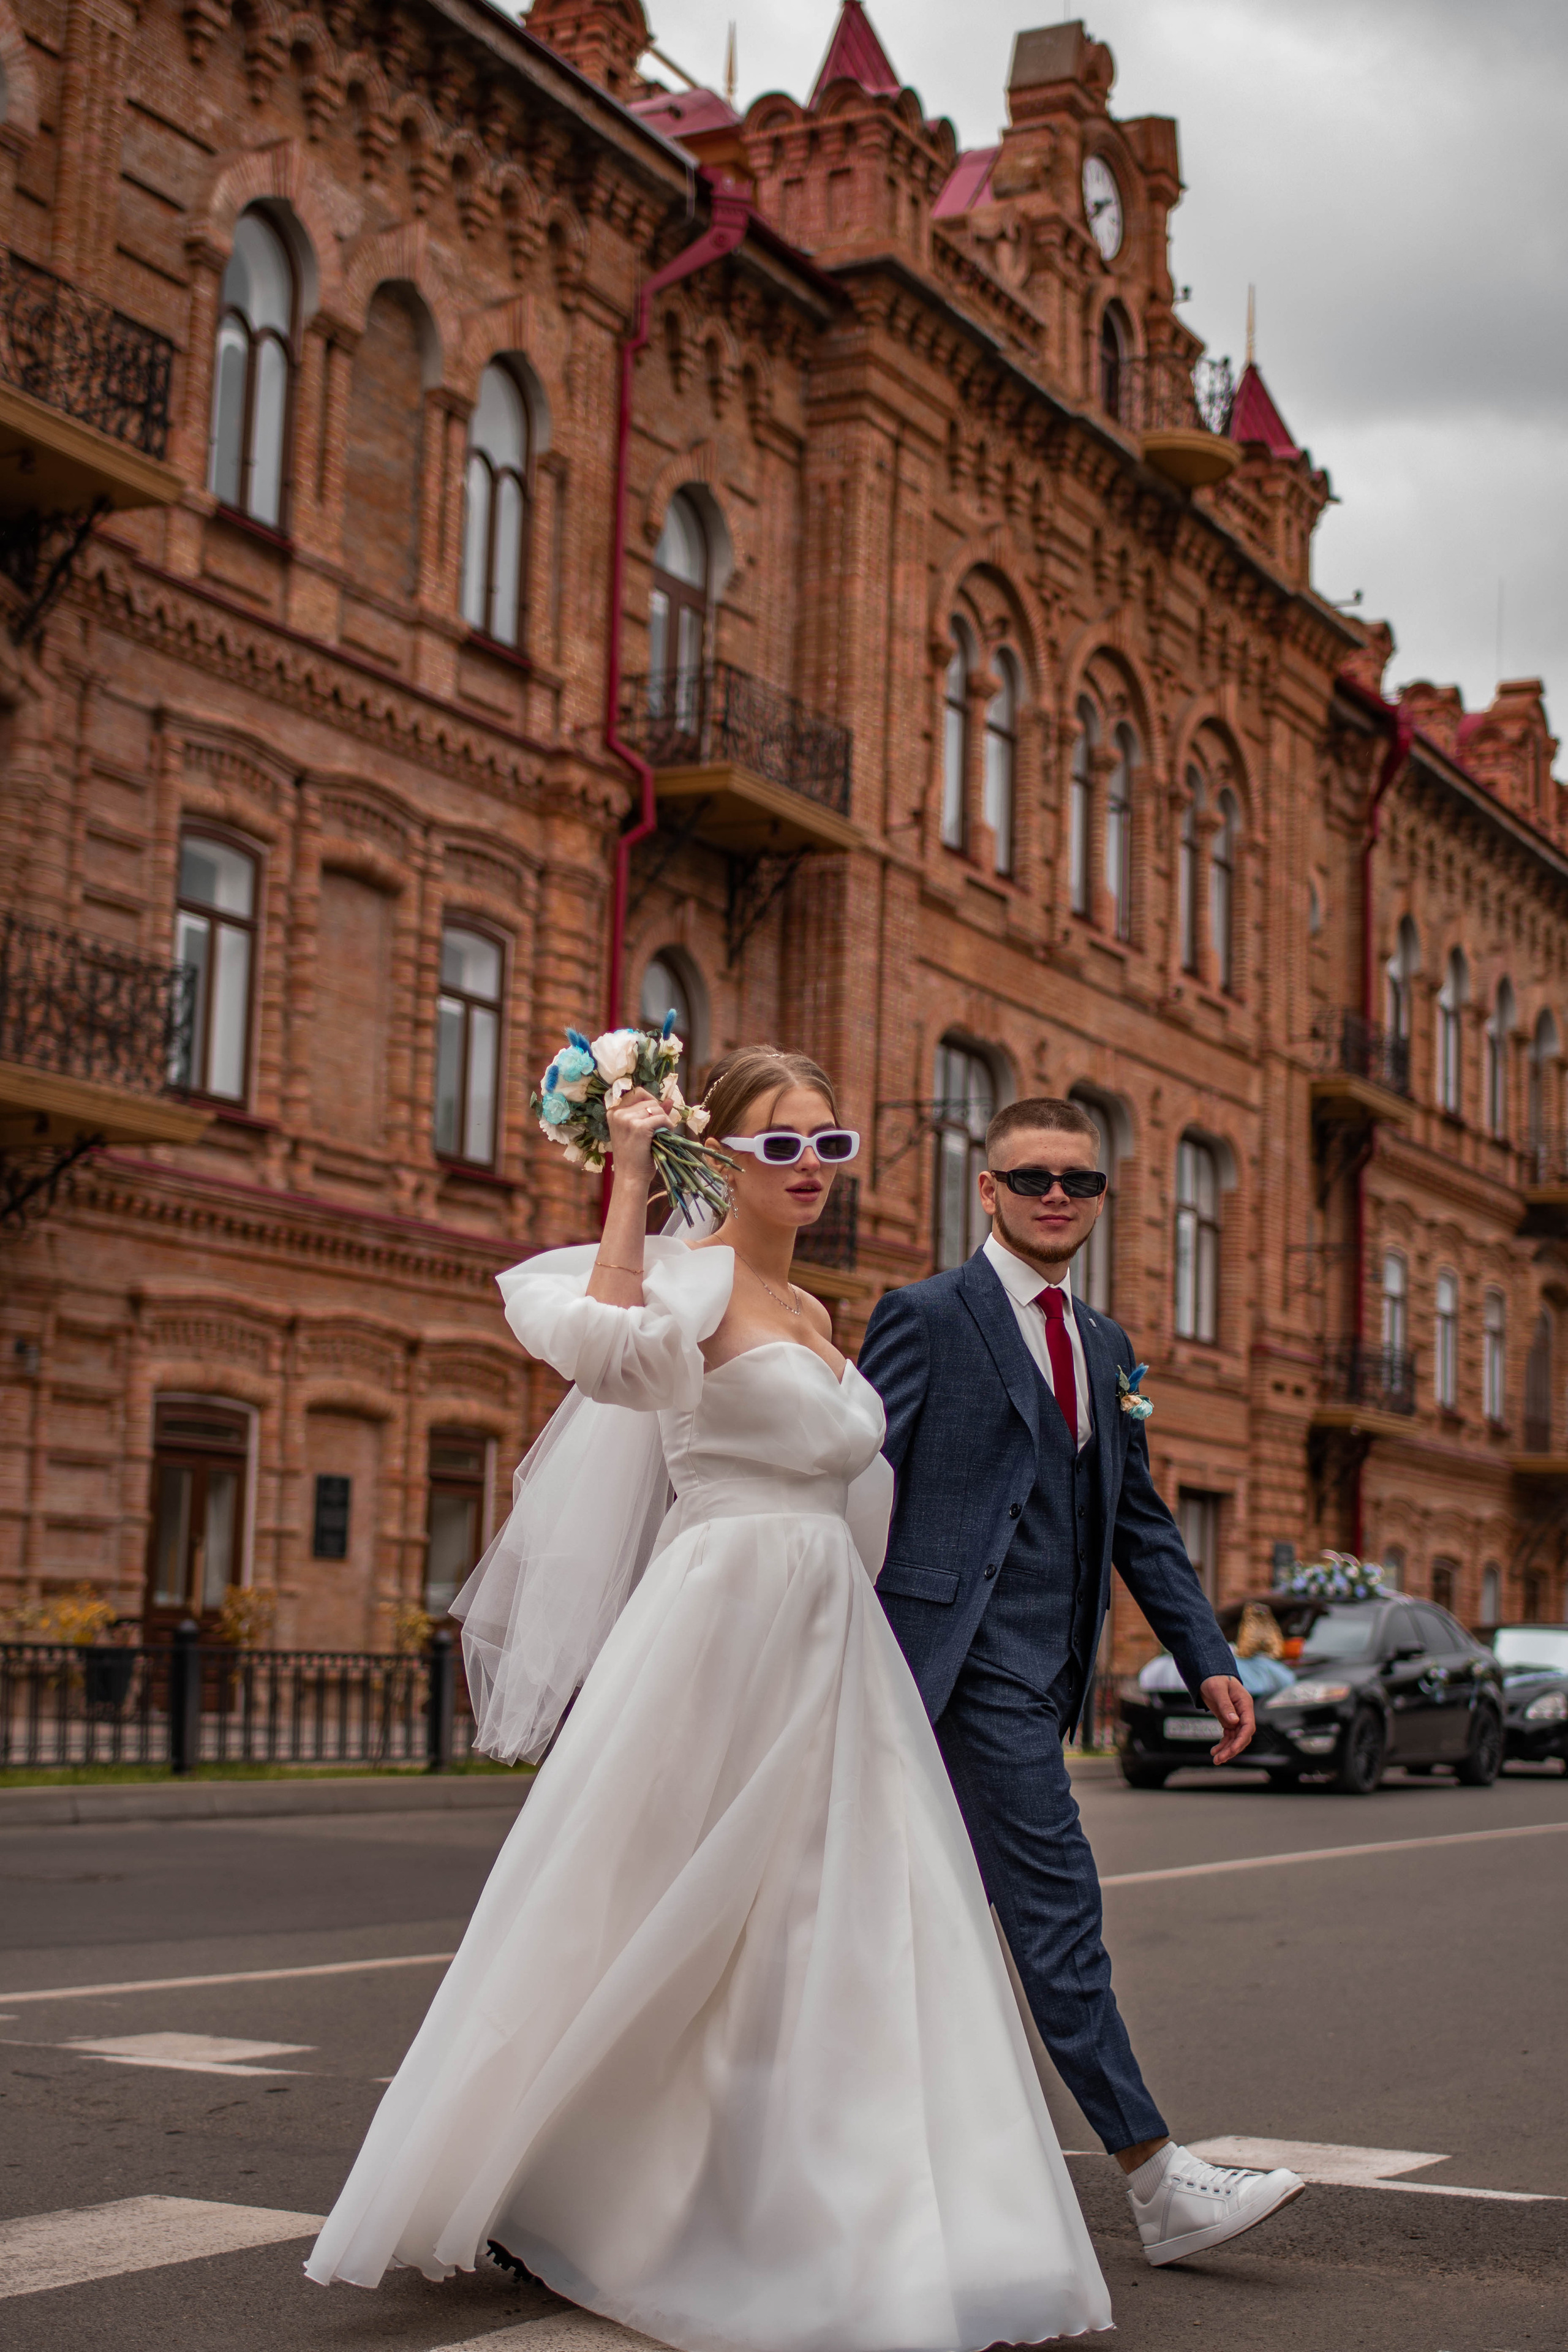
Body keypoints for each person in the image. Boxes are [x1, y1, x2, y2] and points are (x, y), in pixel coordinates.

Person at [306, 1047, 1112, 2349]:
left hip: (828, 1635)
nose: (806, 1170)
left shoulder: (814, 1318)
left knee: (843, 1919)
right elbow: (605, 1354)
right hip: (720, 1622)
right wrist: (628, 1178)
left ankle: (843, 2208)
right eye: (777, 1145)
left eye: (828, 1147)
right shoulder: (689, 1282)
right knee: (641, 1900)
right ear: (718, 1155)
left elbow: (858, 1499)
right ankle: (551, 2169)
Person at [858, 1095, 1306, 2269]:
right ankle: (1157, 2180)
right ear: (988, 1190)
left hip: (1045, 1676)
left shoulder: (1106, 1347)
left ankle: (864, 2176)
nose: (1057, 1196)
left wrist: (1210, 1658)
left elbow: (1142, 1525)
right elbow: (854, 1483)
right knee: (1058, 1913)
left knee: (906, 1932)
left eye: (1080, 1182)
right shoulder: (924, 1318)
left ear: (1100, 1202)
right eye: (1033, 1177)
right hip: (955, 1670)